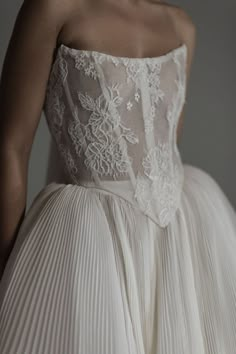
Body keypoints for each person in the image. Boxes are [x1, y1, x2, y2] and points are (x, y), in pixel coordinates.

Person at [0, 0, 236, 353]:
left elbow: (163, 144)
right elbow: (10, 146)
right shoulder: (53, 8)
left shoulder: (181, 26)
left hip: (178, 236)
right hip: (89, 238)